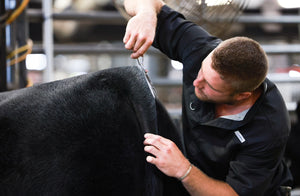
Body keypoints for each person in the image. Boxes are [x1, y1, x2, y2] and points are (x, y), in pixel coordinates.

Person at [123, 0, 293, 195]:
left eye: (209, 86)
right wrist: (146, 15)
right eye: (202, 71)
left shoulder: (268, 128)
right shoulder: (201, 49)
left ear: (242, 96)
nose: (196, 82)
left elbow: (232, 193)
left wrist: (182, 169)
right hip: (194, 175)